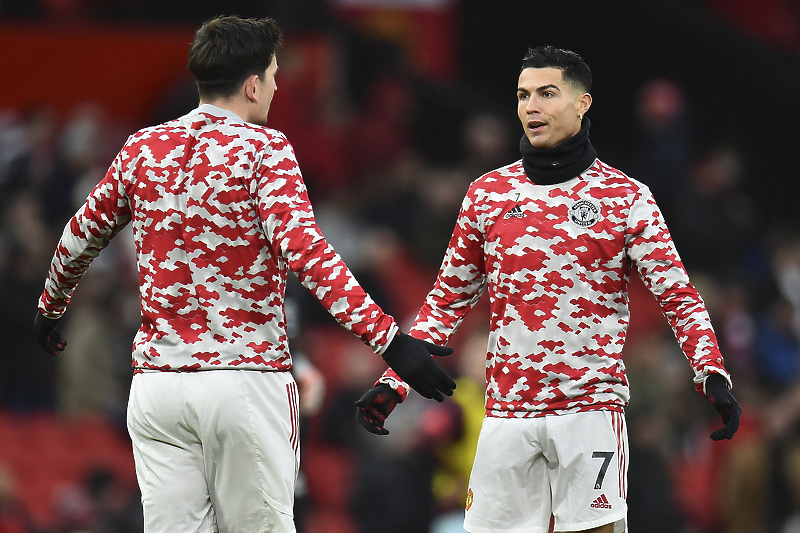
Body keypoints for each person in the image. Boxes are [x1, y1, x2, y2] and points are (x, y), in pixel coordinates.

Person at [33, 15, 456, 533]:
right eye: (275, 75)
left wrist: (50, 309)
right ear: (253, 82)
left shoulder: (142, 149)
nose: (277, 87)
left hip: (158, 390)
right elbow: (307, 254)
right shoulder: (265, 149)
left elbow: (79, 236)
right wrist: (391, 342)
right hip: (242, 383)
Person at [355, 46, 741, 533]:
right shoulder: (487, 195)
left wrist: (712, 373)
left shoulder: (625, 198)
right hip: (506, 415)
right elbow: (446, 298)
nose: (530, 106)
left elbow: (677, 296)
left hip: (589, 413)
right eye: (522, 95)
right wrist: (394, 382)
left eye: (546, 93)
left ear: (583, 104)